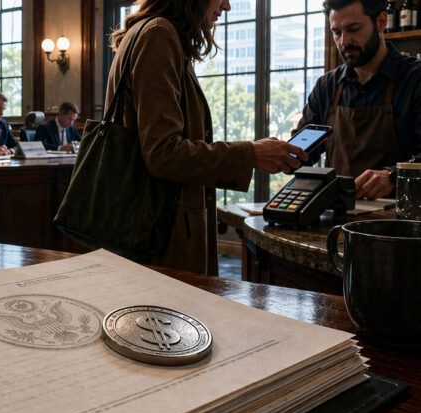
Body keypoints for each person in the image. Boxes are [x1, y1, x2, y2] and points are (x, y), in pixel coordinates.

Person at [106, 0, 307, 275]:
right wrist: (250, 154)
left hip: (149, 226)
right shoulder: (158, 34)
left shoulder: (152, 32)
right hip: (160, 234)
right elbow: (162, 153)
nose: (226, 6)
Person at [297, 0, 421, 200]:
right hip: (338, 217)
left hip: (400, 223)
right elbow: (301, 155)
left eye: (353, 29)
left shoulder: (415, 79)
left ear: (381, 22)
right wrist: (282, 154)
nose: (344, 41)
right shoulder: (327, 87)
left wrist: (392, 176)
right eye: (337, 32)